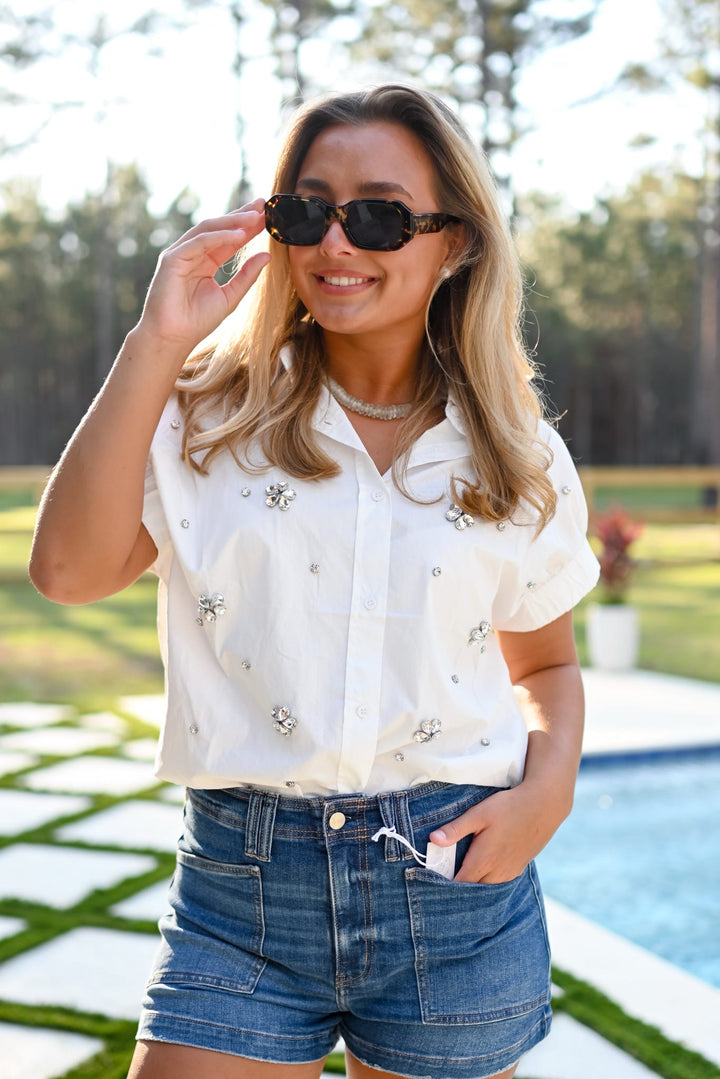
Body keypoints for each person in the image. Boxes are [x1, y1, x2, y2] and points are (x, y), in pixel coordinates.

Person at [30, 84, 599, 1079]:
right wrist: (156, 342)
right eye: (306, 210)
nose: (336, 243)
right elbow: (69, 571)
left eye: (377, 213)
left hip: (454, 886)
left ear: (453, 239)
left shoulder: (520, 452)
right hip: (240, 889)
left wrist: (549, 788)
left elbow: (545, 663)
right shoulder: (205, 415)